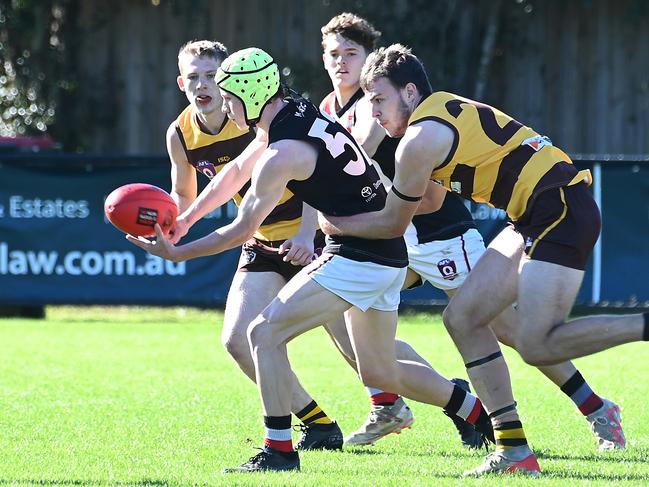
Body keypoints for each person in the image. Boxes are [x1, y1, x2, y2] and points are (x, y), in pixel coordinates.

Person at [128, 47, 496, 473]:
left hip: (358, 253)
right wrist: (187, 220)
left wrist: (177, 253)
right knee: (379, 370)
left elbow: (242, 230)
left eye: (230, 95)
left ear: (250, 94)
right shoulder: (294, 111)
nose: (225, 105)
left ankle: (279, 451)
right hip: (385, 252)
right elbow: (236, 171)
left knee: (263, 333)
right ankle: (475, 412)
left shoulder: (283, 152)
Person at [320, 44, 646, 476]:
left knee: (535, 341)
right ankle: (514, 451)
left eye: (379, 99)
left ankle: (629, 350)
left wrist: (333, 222)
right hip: (532, 213)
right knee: (464, 318)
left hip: (557, 207)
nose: (374, 111)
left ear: (411, 92)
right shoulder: (436, 112)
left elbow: (394, 222)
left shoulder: (418, 139)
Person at [166, 39, 344, 451]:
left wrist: (305, 233)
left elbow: (315, 174)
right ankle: (317, 424)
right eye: (193, 77)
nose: (203, 85)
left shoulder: (252, 116)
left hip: (314, 238)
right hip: (263, 242)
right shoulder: (180, 133)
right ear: (181, 82)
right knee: (239, 339)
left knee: (363, 355)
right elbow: (186, 193)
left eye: (211, 75)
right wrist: (171, 221)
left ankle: (461, 406)